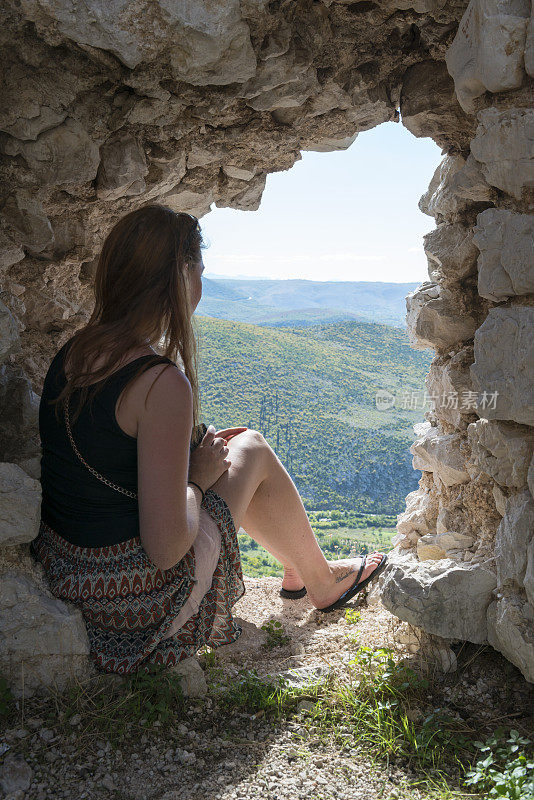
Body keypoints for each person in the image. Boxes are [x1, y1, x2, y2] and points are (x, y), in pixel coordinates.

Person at [30, 203, 387, 677]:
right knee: (252, 448)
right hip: (130, 604)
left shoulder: (74, 351)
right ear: (180, 278)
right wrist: (197, 478)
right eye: (199, 271)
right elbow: (166, 549)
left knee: (235, 447)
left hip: (71, 573)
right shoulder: (160, 383)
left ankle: (303, 569)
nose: (201, 284)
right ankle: (320, 581)